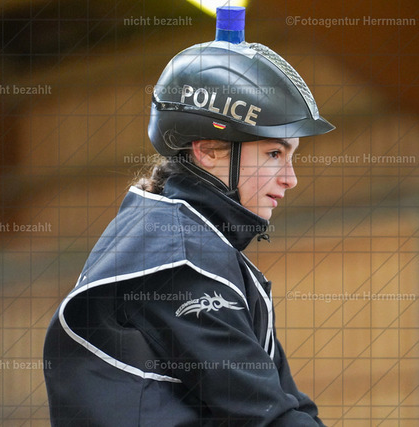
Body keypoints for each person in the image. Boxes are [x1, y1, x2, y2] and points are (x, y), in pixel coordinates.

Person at [43, 6, 334, 426]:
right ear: (208, 150)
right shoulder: (178, 258)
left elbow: (286, 406)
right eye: (274, 153)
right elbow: (264, 416)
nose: (290, 178)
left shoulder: (192, 247)